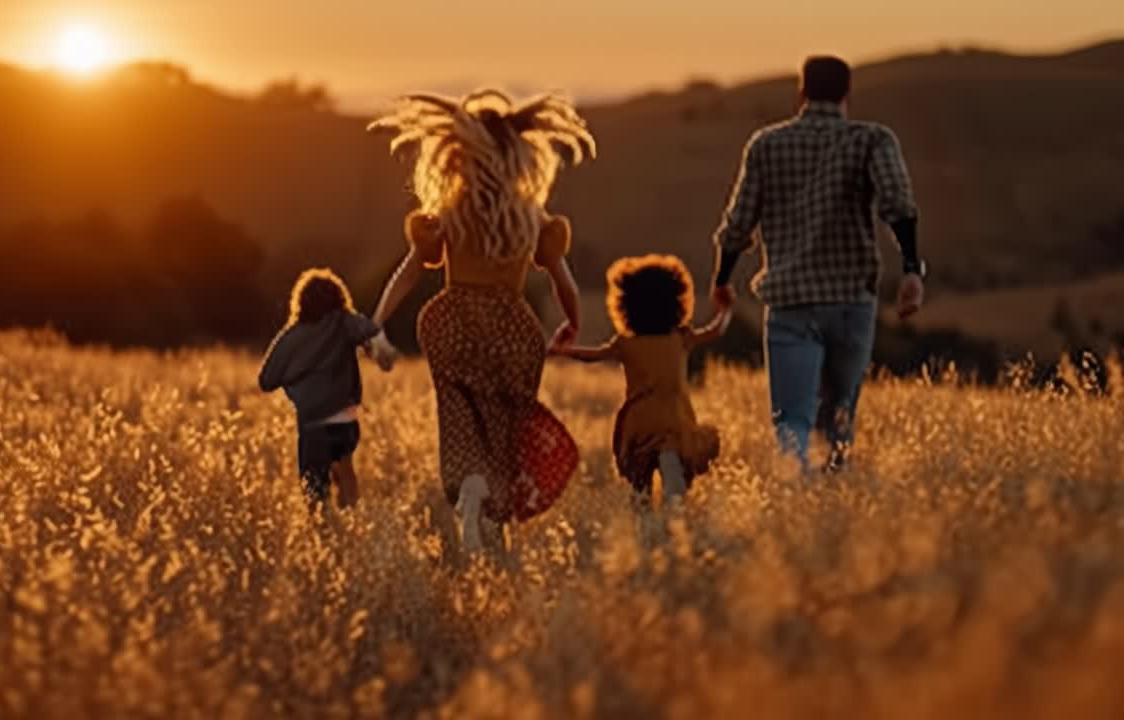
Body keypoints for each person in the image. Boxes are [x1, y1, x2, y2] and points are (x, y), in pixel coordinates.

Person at [366, 89, 593, 551]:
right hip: (512, 329)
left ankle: (468, 487)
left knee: (459, 416)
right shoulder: (530, 218)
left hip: (452, 321)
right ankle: (498, 521)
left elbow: (408, 274)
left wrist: (377, 321)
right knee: (508, 426)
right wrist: (571, 324)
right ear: (519, 154)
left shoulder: (449, 214)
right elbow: (564, 285)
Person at [709, 55, 926, 472]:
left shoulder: (765, 144)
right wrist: (912, 269)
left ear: (802, 91)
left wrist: (723, 278)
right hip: (850, 301)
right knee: (839, 419)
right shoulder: (872, 140)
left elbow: (738, 223)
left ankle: (796, 505)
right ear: (847, 92)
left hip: (789, 303)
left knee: (792, 420)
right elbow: (898, 205)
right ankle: (832, 507)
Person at [550, 255, 728, 504]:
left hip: (638, 423)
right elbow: (715, 331)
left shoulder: (626, 343)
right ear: (676, 299)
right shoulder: (680, 337)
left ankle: (642, 527)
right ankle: (671, 521)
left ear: (626, 304)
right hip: (672, 421)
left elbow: (593, 356)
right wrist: (724, 310)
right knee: (673, 478)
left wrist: (562, 350)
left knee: (639, 490)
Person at [258, 268, 393, 507]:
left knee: (315, 487)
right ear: (339, 298)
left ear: (300, 301)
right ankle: (352, 525)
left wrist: (296, 382)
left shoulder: (292, 336)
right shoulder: (343, 322)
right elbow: (370, 332)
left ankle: (323, 534)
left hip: (311, 421)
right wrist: (380, 353)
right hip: (344, 415)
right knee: (345, 467)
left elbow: (266, 380)